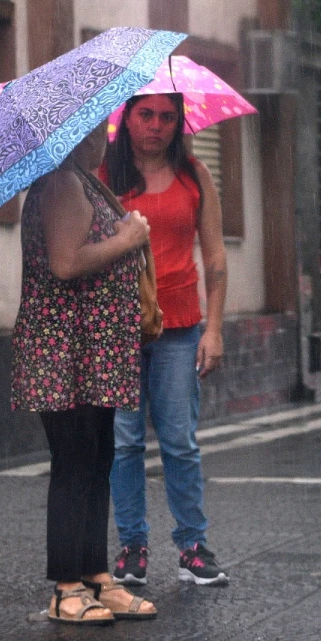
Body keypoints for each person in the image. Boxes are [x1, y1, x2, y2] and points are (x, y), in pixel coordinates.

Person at [11, 124, 157, 624]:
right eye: (98, 127)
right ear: (75, 133)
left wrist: (126, 231)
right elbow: (66, 263)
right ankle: (65, 587)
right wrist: (128, 238)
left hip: (91, 350)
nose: (106, 135)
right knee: (74, 462)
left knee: (98, 459)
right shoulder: (61, 184)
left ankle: (96, 575)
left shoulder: (86, 181)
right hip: (64, 349)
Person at [102, 93, 230, 587]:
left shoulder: (195, 176)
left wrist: (213, 329)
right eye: (146, 114)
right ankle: (132, 547)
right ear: (128, 119)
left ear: (179, 123)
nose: (156, 125)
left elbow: (215, 258)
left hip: (179, 328)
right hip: (119, 329)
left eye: (167, 117)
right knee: (125, 443)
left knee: (179, 441)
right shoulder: (106, 178)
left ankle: (193, 546)